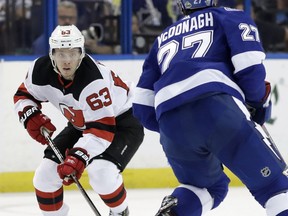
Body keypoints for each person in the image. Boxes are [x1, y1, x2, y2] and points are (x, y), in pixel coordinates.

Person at [132, 0, 288, 215]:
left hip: (170, 122)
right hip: (217, 107)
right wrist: (257, 103)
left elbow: (141, 104)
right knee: (274, 188)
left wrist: (180, 126)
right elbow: (249, 65)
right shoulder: (230, 16)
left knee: (204, 189)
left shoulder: (163, 37)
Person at [14, 24, 144, 216]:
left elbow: (102, 131)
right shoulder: (39, 71)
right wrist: (30, 115)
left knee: (101, 173)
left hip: (122, 123)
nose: (67, 61)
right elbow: (23, 95)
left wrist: (78, 157)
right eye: (61, 53)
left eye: (73, 53)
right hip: (83, 125)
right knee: (44, 177)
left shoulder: (93, 81)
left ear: (81, 53)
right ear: (52, 54)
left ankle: (119, 212)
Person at [32, 1, 115, 55]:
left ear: (77, 19)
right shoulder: (44, 41)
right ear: (55, 18)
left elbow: (111, 52)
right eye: (63, 17)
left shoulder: (83, 36)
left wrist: (95, 48)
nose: (67, 21)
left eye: (71, 18)